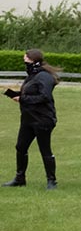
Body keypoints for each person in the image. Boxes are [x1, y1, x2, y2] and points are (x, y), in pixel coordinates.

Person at [4, 48, 60, 189]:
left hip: (42, 119)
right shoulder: (32, 76)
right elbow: (30, 93)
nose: (25, 64)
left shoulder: (44, 77)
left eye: (27, 61)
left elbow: (44, 96)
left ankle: (51, 181)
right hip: (28, 118)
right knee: (21, 147)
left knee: (45, 149)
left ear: (34, 61)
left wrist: (22, 99)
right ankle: (20, 178)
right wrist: (13, 94)